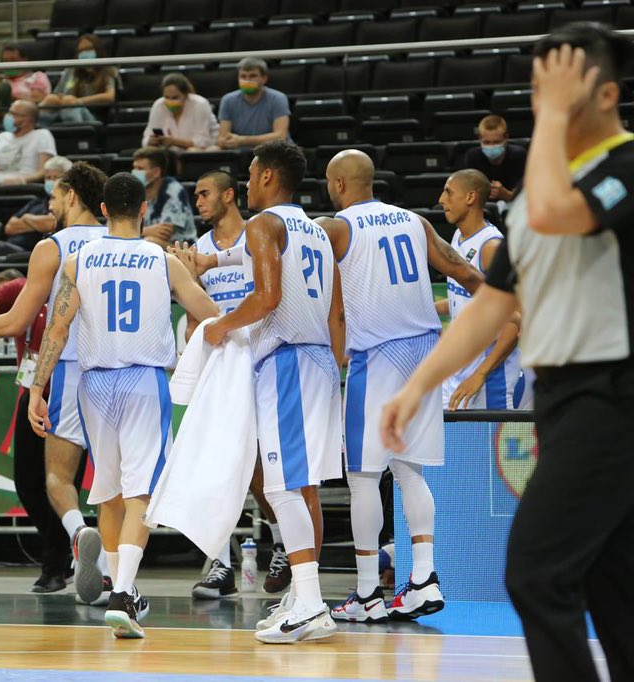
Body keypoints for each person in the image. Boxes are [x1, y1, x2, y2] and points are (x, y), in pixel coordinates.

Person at [383, 24, 634, 682]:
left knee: (535, 571)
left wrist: (549, 116)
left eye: (559, 88)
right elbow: (492, 305)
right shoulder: (535, 196)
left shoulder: (625, 169)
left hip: (614, 395)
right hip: (564, 399)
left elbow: (559, 214)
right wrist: (418, 386)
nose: (543, 101)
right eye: (539, 89)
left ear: (605, 93)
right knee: (614, 589)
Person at [27, 171, 218, 639]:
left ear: (105, 210)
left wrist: (37, 388)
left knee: (109, 493)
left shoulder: (79, 259)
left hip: (92, 385)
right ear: (145, 211)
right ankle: (123, 592)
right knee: (142, 495)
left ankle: (123, 592)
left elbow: (57, 330)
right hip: (141, 381)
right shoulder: (161, 260)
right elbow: (209, 313)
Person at [181, 142, 344, 644]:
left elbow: (267, 297)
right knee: (306, 486)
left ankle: (312, 603)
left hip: (288, 361)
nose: (248, 185)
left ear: (269, 176)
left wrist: (220, 326)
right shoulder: (317, 230)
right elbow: (338, 314)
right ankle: (302, 595)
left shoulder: (262, 224)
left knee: (281, 487)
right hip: (318, 358)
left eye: (251, 176)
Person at [313, 150, 482, 625]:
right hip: (425, 352)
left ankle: (368, 592)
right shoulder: (414, 221)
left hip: (379, 355)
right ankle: (424, 579)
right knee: (411, 472)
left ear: (340, 185)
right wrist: (514, 308)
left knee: (363, 475)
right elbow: (462, 271)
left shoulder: (337, 227)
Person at [0, 161, 112, 606]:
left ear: (72, 197)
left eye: (54, 195)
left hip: (69, 369)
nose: (49, 202)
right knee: (113, 484)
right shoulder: (126, 242)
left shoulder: (53, 247)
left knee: (55, 478)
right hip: (125, 371)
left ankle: (79, 535)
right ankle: (118, 581)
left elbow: (20, 320)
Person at [184, 170, 292, 599]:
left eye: (205, 192)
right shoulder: (197, 251)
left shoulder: (260, 233)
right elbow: (194, 316)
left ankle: (284, 545)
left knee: (261, 466)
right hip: (219, 361)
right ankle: (220, 563)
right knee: (218, 465)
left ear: (230, 195)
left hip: (261, 355)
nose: (199, 201)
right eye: (195, 195)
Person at [0, 275, 84, 593]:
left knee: (62, 483)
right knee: (27, 483)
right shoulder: (24, 288)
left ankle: (55, 567)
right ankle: (73, 545)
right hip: (32, 395)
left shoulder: (82, 283)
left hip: (73, 396)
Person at [436, 169, 527, 410]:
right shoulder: (458, 236)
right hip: (459, 369)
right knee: (454, 446)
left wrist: (480, 375)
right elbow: (466, 298)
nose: (441, 200)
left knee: (485, 447)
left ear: (470, 197)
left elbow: (515, 323)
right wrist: (429, 309)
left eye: (448, 192)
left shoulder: (491, 247)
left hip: (489, 378)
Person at [39, 34, 117, 125]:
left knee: (70, 103)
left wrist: (78, 101)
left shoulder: (108, 69)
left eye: (89, 48)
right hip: (63, 110)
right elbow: (57, 93)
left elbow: (110, 97)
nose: (85, 53)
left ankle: (77, 136)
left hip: (94, 116)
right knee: (50, 99)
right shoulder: (71, 70)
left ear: (98, 50)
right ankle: (40, 132)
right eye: (81, 51)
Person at [0, 43, 52, 130]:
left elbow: (36, 100)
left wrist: (9, 97)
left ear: (24, 60)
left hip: (20, 115)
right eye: (5, 61)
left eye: (13, 60)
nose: (9, 64)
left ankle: (2, 94)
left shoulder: (36, 76)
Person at [217, 58, 291, 151]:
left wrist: (242, 140)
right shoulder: (228, 100)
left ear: (264, 79)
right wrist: (226, 142)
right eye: (243, 76)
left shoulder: (278, 98)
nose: (247, 80)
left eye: (252, 76)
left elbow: (280, 136)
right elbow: (222, 138)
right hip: (240, 155)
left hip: (274, 153)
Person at [132, 146, 196, 247]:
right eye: (134, 167)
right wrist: (145, 231)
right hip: (147, 243)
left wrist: (137, 231)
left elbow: (164, 232)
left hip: (181, 249)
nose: (134, 172)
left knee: (150, 242)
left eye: (140, 169)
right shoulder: (135, 192)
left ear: (156, 172)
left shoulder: (173, 189)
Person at [5, 156, 73, 251]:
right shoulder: (36, 202)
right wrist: (39, 224)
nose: (52, 181)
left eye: (56, 177)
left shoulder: (70, 202)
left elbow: (51, 224)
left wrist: (26, 218)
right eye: (48, 178)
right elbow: (9, 227)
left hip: (35, 250)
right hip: (12, 247)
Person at [142, 73, 219, 153]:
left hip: (204, 150)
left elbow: (203, 142)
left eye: (175, 97)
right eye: (167, 97)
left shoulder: (200, 104)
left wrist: (174, 142)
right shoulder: (159, 105)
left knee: (192, 152)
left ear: (185, 95)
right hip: (169, 152)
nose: (170, 101)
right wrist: (151, 141)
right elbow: (146, 137)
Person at [463, 115, 528, 203]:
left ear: (506, 137)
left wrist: (505, 194)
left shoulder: (518, 156)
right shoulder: (472, 157)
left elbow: (524, 200)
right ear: (479, 138)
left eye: (496, 142)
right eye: (487, 142)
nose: (491, 146)